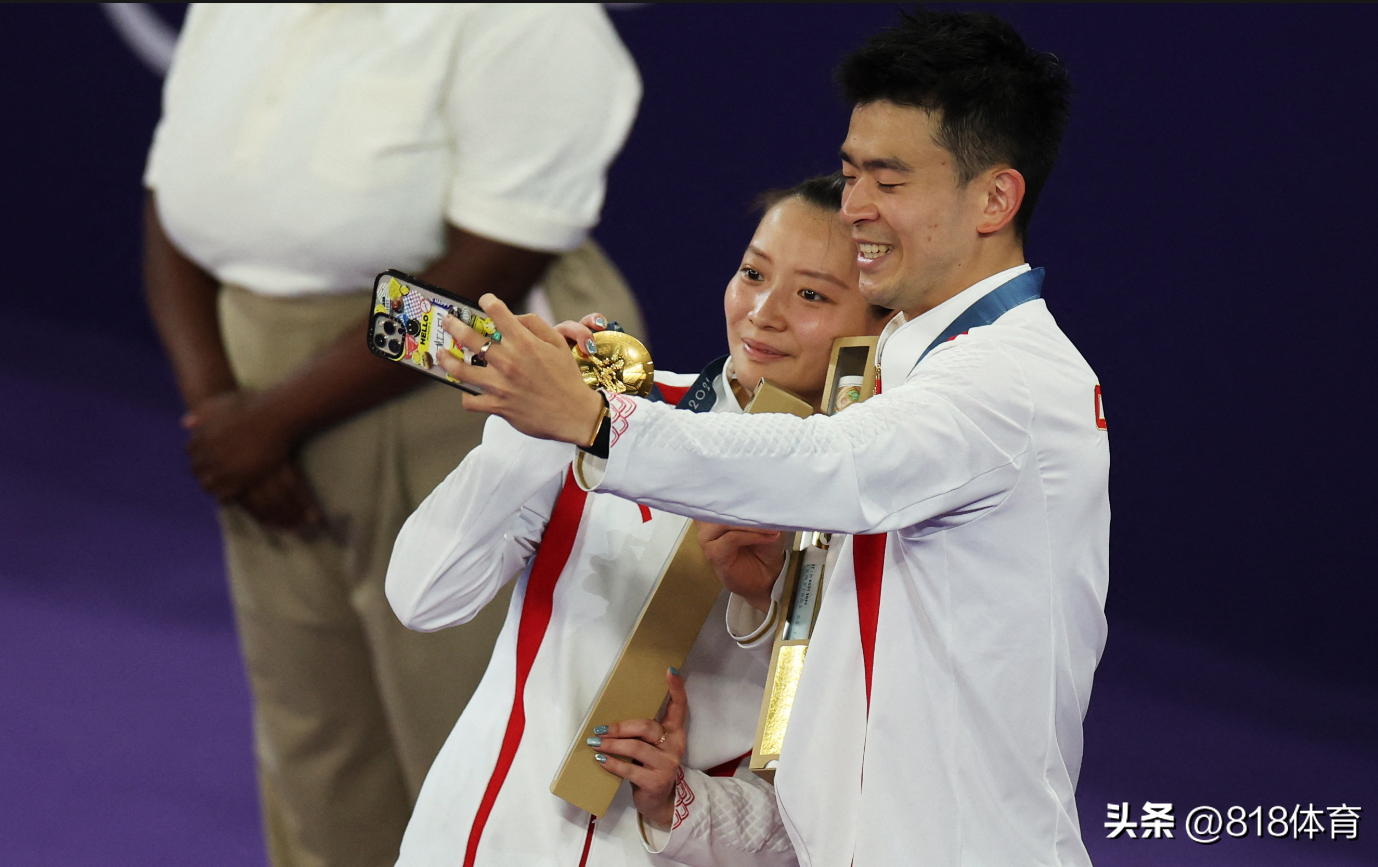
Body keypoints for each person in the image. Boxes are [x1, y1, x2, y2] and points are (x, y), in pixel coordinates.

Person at [434, 10, 1108, 867]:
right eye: (851, 171)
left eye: (890, 182)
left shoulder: (1006, 383)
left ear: (995, 198)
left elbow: (832, 466)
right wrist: (748, 638)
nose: (855, 208)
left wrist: (593, 417)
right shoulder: (898, 371)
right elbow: (825, 783)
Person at [140, 5, 642, 866]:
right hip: (252, 392)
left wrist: (271, 421)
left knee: (478, 740)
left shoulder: (533, 21)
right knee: (314, 738)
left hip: (456, 389)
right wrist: (218, 403)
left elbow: (501, 261)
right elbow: (176, 198)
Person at [384, 175, 893, 867]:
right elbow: (423, 597)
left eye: (812, 295)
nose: (762, 313)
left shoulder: (874, 520)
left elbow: (819, 823)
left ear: (882, 327)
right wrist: (532, 424)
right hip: (471, 840)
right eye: (752, 273)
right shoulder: (620, 416)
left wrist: (677, 800)